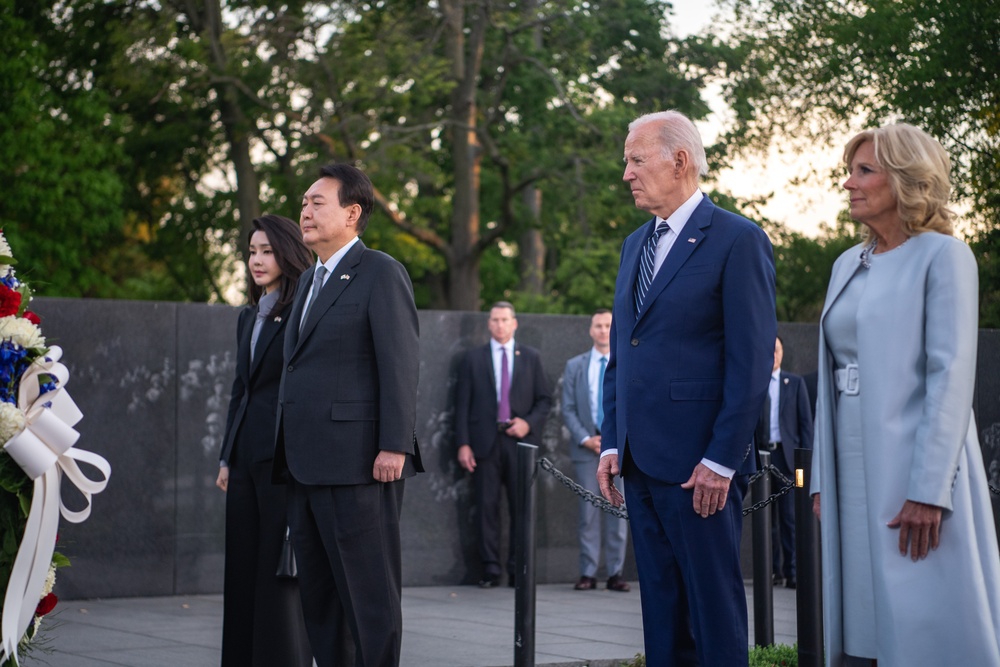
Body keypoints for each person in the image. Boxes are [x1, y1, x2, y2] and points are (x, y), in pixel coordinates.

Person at [810, 123, 1000, 665]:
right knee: (860, 611)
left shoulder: (945, 256)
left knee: (922, 607)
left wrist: (930, 488)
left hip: (915, 463)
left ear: (906, 180)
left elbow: (951, 375)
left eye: (864, 171)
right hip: (849, 458)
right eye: (850, 171)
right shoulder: (847, 263)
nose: (849, 183)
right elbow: (830, 373)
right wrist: (822, 475)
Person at [597, 110, 776, 665]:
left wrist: (721, 460)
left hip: (701, 468)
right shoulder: (634, 245)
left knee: (712, 613)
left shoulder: (738, 240)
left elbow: (750, 364)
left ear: (679, 161)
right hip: (639, 462)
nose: (625, 173)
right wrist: (610, 441)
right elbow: (621, 353)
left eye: (635, 159)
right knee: (662, 616)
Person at [273, 163, 422, 667]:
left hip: (360, 465)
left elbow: (399, 362)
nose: (305, 211)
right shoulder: (309, 280)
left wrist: (395, 444)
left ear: (352, 213)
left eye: (318, 202)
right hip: (304, 467)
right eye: (303, 202)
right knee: (320, 602)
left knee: (370, 600)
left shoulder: (380, 271)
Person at [216, 214, 314, 667]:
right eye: (252, 251)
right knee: (241, 566)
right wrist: (225, 456)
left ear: (288, 254)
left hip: (283, 459)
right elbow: (242, 389)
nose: (257, 260)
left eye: (267, 251)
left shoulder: (302, 313)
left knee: (279, 574)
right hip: (243, 459)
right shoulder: (246, 317)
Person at [455, 302, 552, 588]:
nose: (499, 324)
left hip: (520, 443)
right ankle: (491, 569)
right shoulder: (472, 359)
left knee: (521, 507)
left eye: (504, 319)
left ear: (515, 323)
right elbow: (461, 405)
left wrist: (528, 423)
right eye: (495, 320)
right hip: (484, 443)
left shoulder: (531, 358)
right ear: (488, 324)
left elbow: (544, 399)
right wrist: (463, 443)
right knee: (486, 507)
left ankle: (518, 568)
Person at [561, 308, 630, 592]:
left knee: (619, 512)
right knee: (587, 514)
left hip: (622, 451)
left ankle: (615, 573)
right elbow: (568, 408)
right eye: (598, 325)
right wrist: (586, 439)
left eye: (607, 325)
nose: (603, 330)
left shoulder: (627, 361)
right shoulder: (575, 365)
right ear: (591, 330)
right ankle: (588, 572)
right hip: (587, 449)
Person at [754, 336, 813, 589]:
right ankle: (773, 572)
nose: (773, 355)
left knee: (789, 519)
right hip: (762, 459)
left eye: (776, 350)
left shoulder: (795, 383)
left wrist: (805, 462)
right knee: (768, 521)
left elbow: (805, 426)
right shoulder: (754, 384)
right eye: (769, 350)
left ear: (782, 352)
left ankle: (793, 571)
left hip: (787, 461)